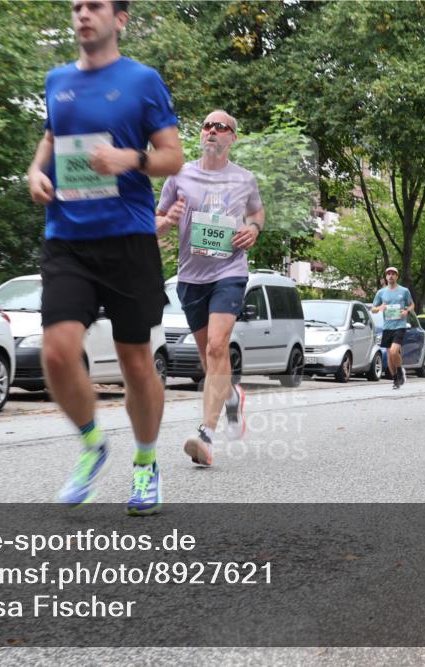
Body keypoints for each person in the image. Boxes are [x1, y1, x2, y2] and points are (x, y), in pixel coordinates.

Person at [26, 0, 183, 515]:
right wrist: (36, 172)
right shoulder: (56, 80)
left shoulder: (142, 81)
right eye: (76, 7)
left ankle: (145, 463)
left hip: (128, 238)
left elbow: (172, 156)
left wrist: (129, 158)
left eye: (94, 6)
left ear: (120, 19)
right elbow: (51, 136)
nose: (82, 14)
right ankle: (93, 445)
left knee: (136, 362)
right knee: (55, 351)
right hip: (68, 237)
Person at [155, 110, 263, 467]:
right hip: (190, 278)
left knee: (218, 346)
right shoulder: (179, 174)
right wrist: (166, 221)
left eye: (222, 127)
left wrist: (253, 229)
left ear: (233, 137)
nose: (213, 131)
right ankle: (231, 396)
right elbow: (157, 222)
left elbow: (257, 213)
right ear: (200, 134)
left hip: (229, 272)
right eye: (207, 125)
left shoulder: (245, 179)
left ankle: (206, 435)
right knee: (208, 357)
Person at [371, 267, 415, 389]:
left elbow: (412, 305)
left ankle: (400, 371)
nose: (391, 276)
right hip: (387, 327)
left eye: (393, 274)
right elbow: (373, 309)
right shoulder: (381, 292)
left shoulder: (404, 291)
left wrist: (406, 311)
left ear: (397, 276)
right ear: (386, 277)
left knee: (395, 351)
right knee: (390, 355)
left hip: (400, 326)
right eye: (388, 274)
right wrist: (380, 308)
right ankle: (395, 379)